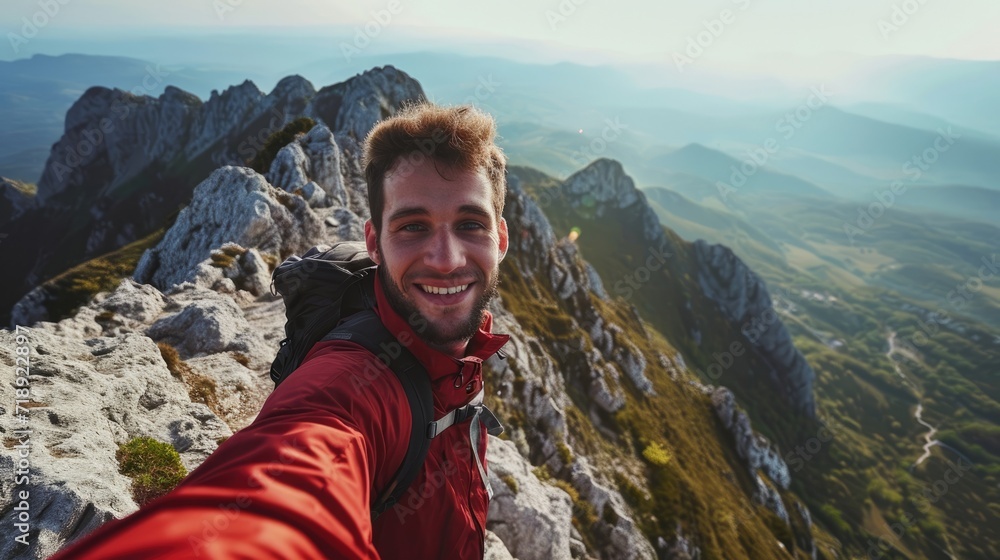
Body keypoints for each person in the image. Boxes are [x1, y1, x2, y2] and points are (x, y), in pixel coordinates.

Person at [50, 103, 511, 559]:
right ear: (374, 244)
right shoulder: (349, 388)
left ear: (501, 239)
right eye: (413, 226)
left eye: (471, 224)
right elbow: (288, 487)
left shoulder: (462, 358)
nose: (447, 258)